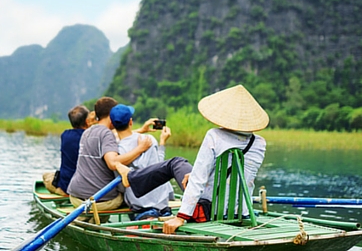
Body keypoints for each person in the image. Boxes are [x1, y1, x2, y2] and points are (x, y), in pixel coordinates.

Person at [114, 85, 268, 234]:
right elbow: (235, 174)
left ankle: (130, 178)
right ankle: (132, 178)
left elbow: (199, 180)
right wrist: (195, 175)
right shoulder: (260, 143)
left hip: (208, 210)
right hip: (240, 211)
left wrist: (181, 217)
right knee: (185, 169)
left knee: (176, 163)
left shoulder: (215, 136)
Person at [66, 97, 153, 223]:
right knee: (131, 196)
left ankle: (90, 220)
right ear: (111, 115)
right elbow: (113, 163)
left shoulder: (88, 131)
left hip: (75, 196)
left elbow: (112, 137)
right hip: (99, 200)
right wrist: (140, 148)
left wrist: (141, 130)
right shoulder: (107, 134)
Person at [110, 104, 175, 220]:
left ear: (112, 124)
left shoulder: (113, 150)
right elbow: (160, 167)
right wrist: (162, 143)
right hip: (162, 204)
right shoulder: (148, 140)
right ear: (131, 122)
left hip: (139, 205)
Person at [42, 105, 91, 196]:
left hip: (66, 186)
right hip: (86, 186)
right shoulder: (92, 137)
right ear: (87, 121)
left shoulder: (65, 135)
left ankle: (61, 192)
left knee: (46, 175)